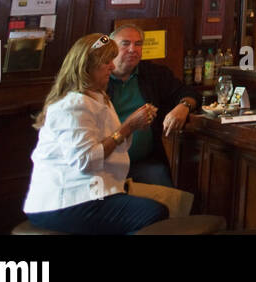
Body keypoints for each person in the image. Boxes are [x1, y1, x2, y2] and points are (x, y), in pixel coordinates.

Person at [23, 33, 168, 234]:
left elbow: (116, 144)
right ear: (86, 66)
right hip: (64, 200)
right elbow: (85, 160)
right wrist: (127, 127)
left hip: (91, 192)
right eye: (106, 61)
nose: (112, 66)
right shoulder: (73, 104)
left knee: (157, 206)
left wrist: (134, 126)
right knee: (154, 212)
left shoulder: (98, 96)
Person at [106, 24, 199, 187]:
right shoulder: (99, 76)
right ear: (111, 48)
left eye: (138, 44)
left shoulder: (154, 74)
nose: (132, 49)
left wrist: (183, 106)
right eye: (125, 44)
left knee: (166, 199)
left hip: (144, 162)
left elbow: (188, 92)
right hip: (106, 163)